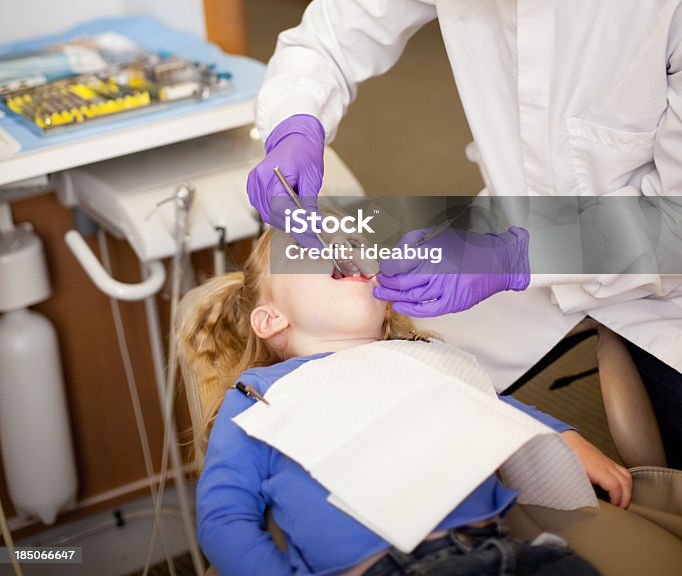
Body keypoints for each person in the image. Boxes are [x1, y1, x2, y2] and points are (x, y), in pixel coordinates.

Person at [245, 0, 682, 463]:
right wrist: (295, 121)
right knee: (383, 413)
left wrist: (512, 255)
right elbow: (335, 31)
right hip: (509, 239)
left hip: (667, 286)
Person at [178, 229, 663, 576]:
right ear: (271, 321)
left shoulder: (422, 360)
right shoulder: (257, 397)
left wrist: (564, 437)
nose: (338, 247)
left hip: (510, 552)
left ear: (387, 315)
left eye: (351, 243)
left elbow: (494, 407)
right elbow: (225, 518)